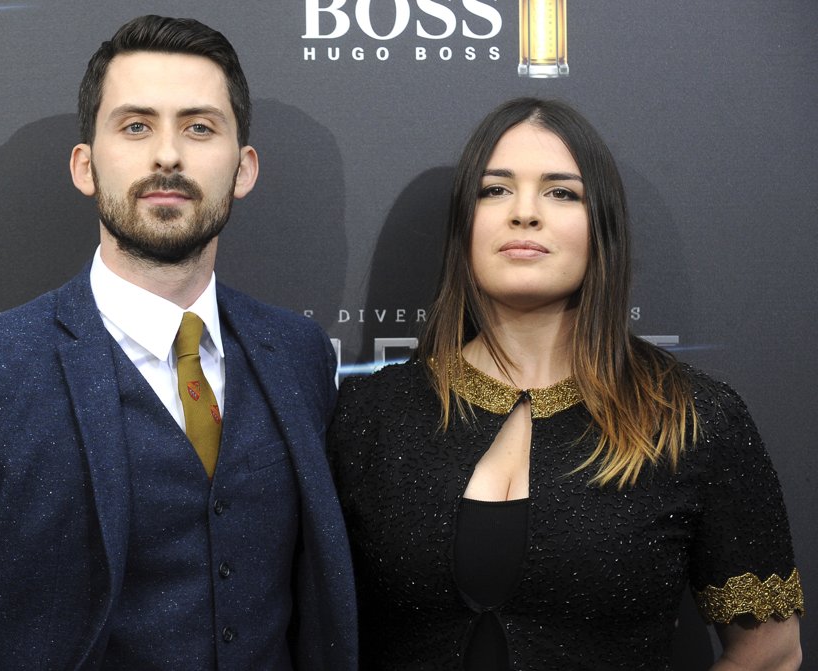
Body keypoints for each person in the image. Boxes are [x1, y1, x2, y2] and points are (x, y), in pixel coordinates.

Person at [0, 15, 356, 670]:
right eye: (135, 126)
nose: (167, 154)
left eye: (199, 127)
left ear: (244, 168)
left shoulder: (299, 353)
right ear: (85, 165)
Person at [327, 97, 803, 670]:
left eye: (561, 192)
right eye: (495, 189)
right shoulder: (368, 416)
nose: (524, 213)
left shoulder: (692, 416)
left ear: (601, 226)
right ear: (463, 225)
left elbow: (771, 654)